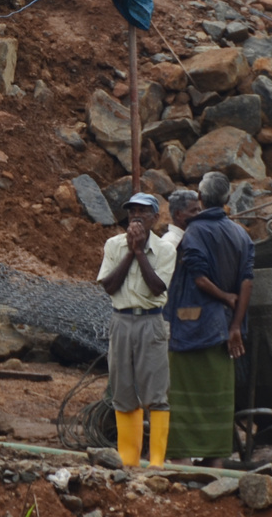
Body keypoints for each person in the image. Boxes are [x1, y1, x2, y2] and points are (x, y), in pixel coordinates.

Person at [165, 171, 254, 466]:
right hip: (224, 330)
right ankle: (216, 461)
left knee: (184, 396)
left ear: (201, 199)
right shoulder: (241, 234)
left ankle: (180, 458)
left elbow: (200, 279)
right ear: (228, 199)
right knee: (219, 398)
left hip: (192, 327)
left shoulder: (194, 233)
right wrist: (236, 325)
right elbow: (246, 282)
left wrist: (223, 297)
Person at [96, 192, 177, 467]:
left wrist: (140, 251)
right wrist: (130, 251)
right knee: (123, 392)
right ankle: (128, 461)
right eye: (131, 213)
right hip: (121, 320)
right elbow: (109, 286)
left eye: (142, 212)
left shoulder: (165, 250)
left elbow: (157, 287)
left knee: (156, 394)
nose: (136, 217)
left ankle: (156, 463)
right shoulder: (114, 245)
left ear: (155, 218)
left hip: (151, 322)